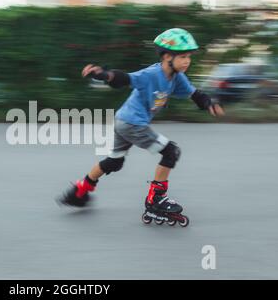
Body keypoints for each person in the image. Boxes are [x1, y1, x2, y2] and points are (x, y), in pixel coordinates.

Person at [58, 28, 225, 219]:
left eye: (188, 56)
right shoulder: (152, 74)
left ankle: (80, 190)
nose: (187, 61)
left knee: (114, 162)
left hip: (123, 120)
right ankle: (156, 200)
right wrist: (103, 75)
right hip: (132, 124)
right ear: (166, 56)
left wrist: (208, 103)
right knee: (171, 152)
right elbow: (125, 78)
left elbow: (194, 94)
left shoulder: (177, 77)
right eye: (182, 56)